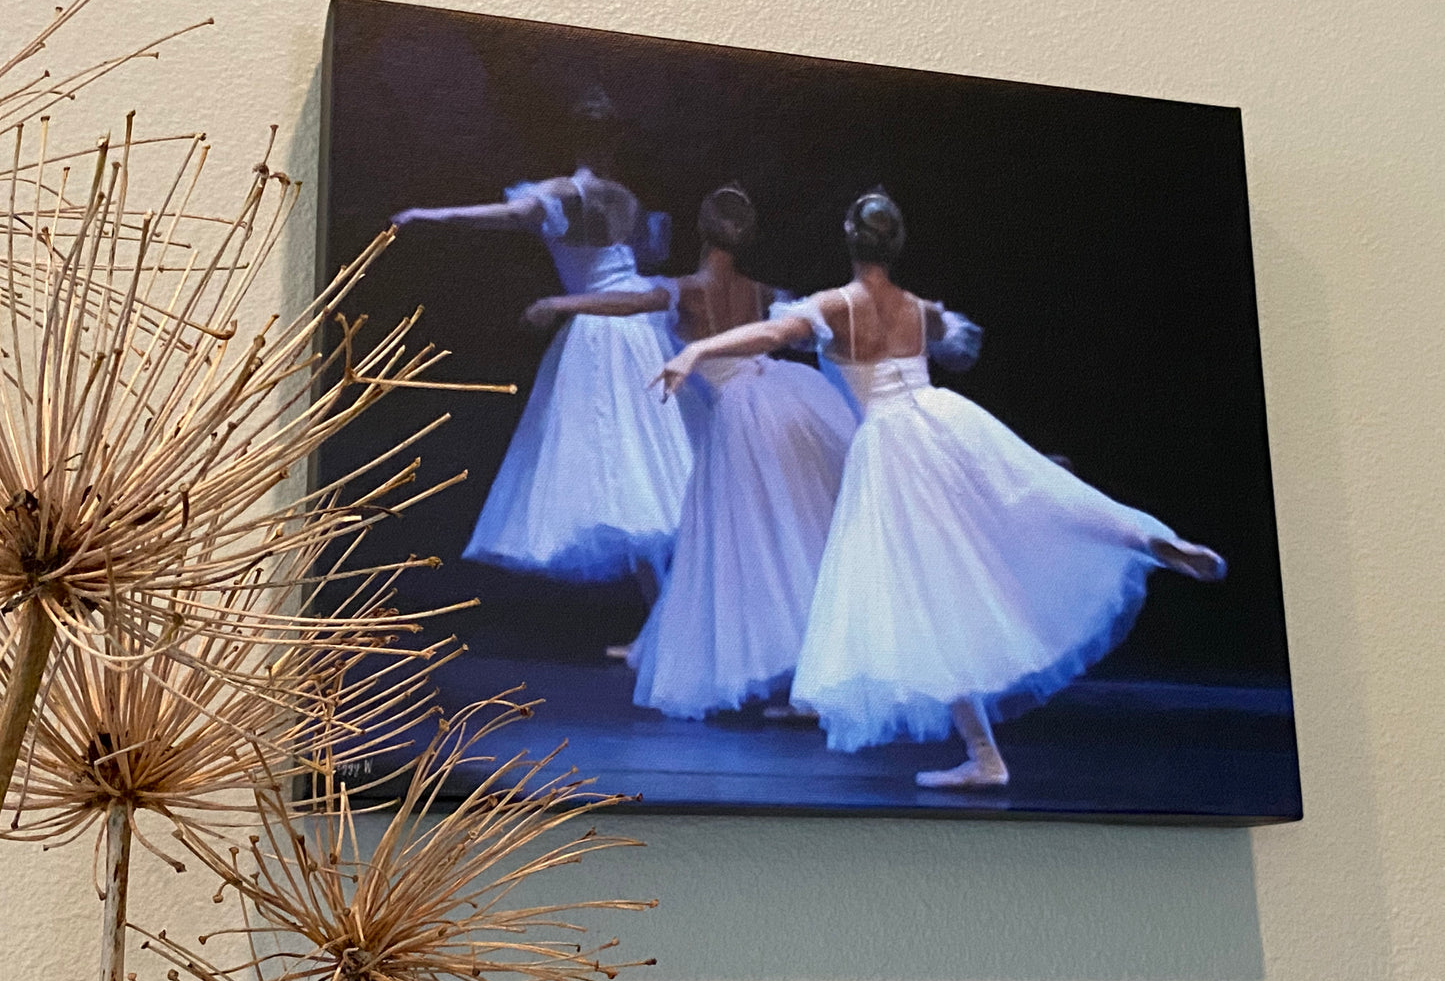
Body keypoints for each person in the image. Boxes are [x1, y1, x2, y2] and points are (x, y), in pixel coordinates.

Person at [656, 189, 1225, 788]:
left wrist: (695, 348)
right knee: (1033, 495)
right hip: (943, 417)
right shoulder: (918, 308)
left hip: (892, 446)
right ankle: (1146, 536)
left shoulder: (835, 305)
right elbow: (955, 349)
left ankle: (985, 754)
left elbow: (767, 337)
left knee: (929, 593)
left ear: (849, 239)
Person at [529, 185, 859, 716]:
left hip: (742, 415)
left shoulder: (691, 289)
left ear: (701, 233)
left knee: (747, 542)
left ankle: (794, 668)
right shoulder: (761, 291)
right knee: (790, 536)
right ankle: (809, 669)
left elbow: (628, 302)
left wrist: (560, 301)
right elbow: (806, 332)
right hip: (785, 396)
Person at [391, 87, 691, 586]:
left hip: (600, 324)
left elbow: (500, 217)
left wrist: (429, 215)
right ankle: (662, 613)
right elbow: (647, 256)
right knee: (648, 453)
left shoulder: (564, 194)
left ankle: (663, 611)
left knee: (618, 453)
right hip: (641, 321)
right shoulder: (625, 198)